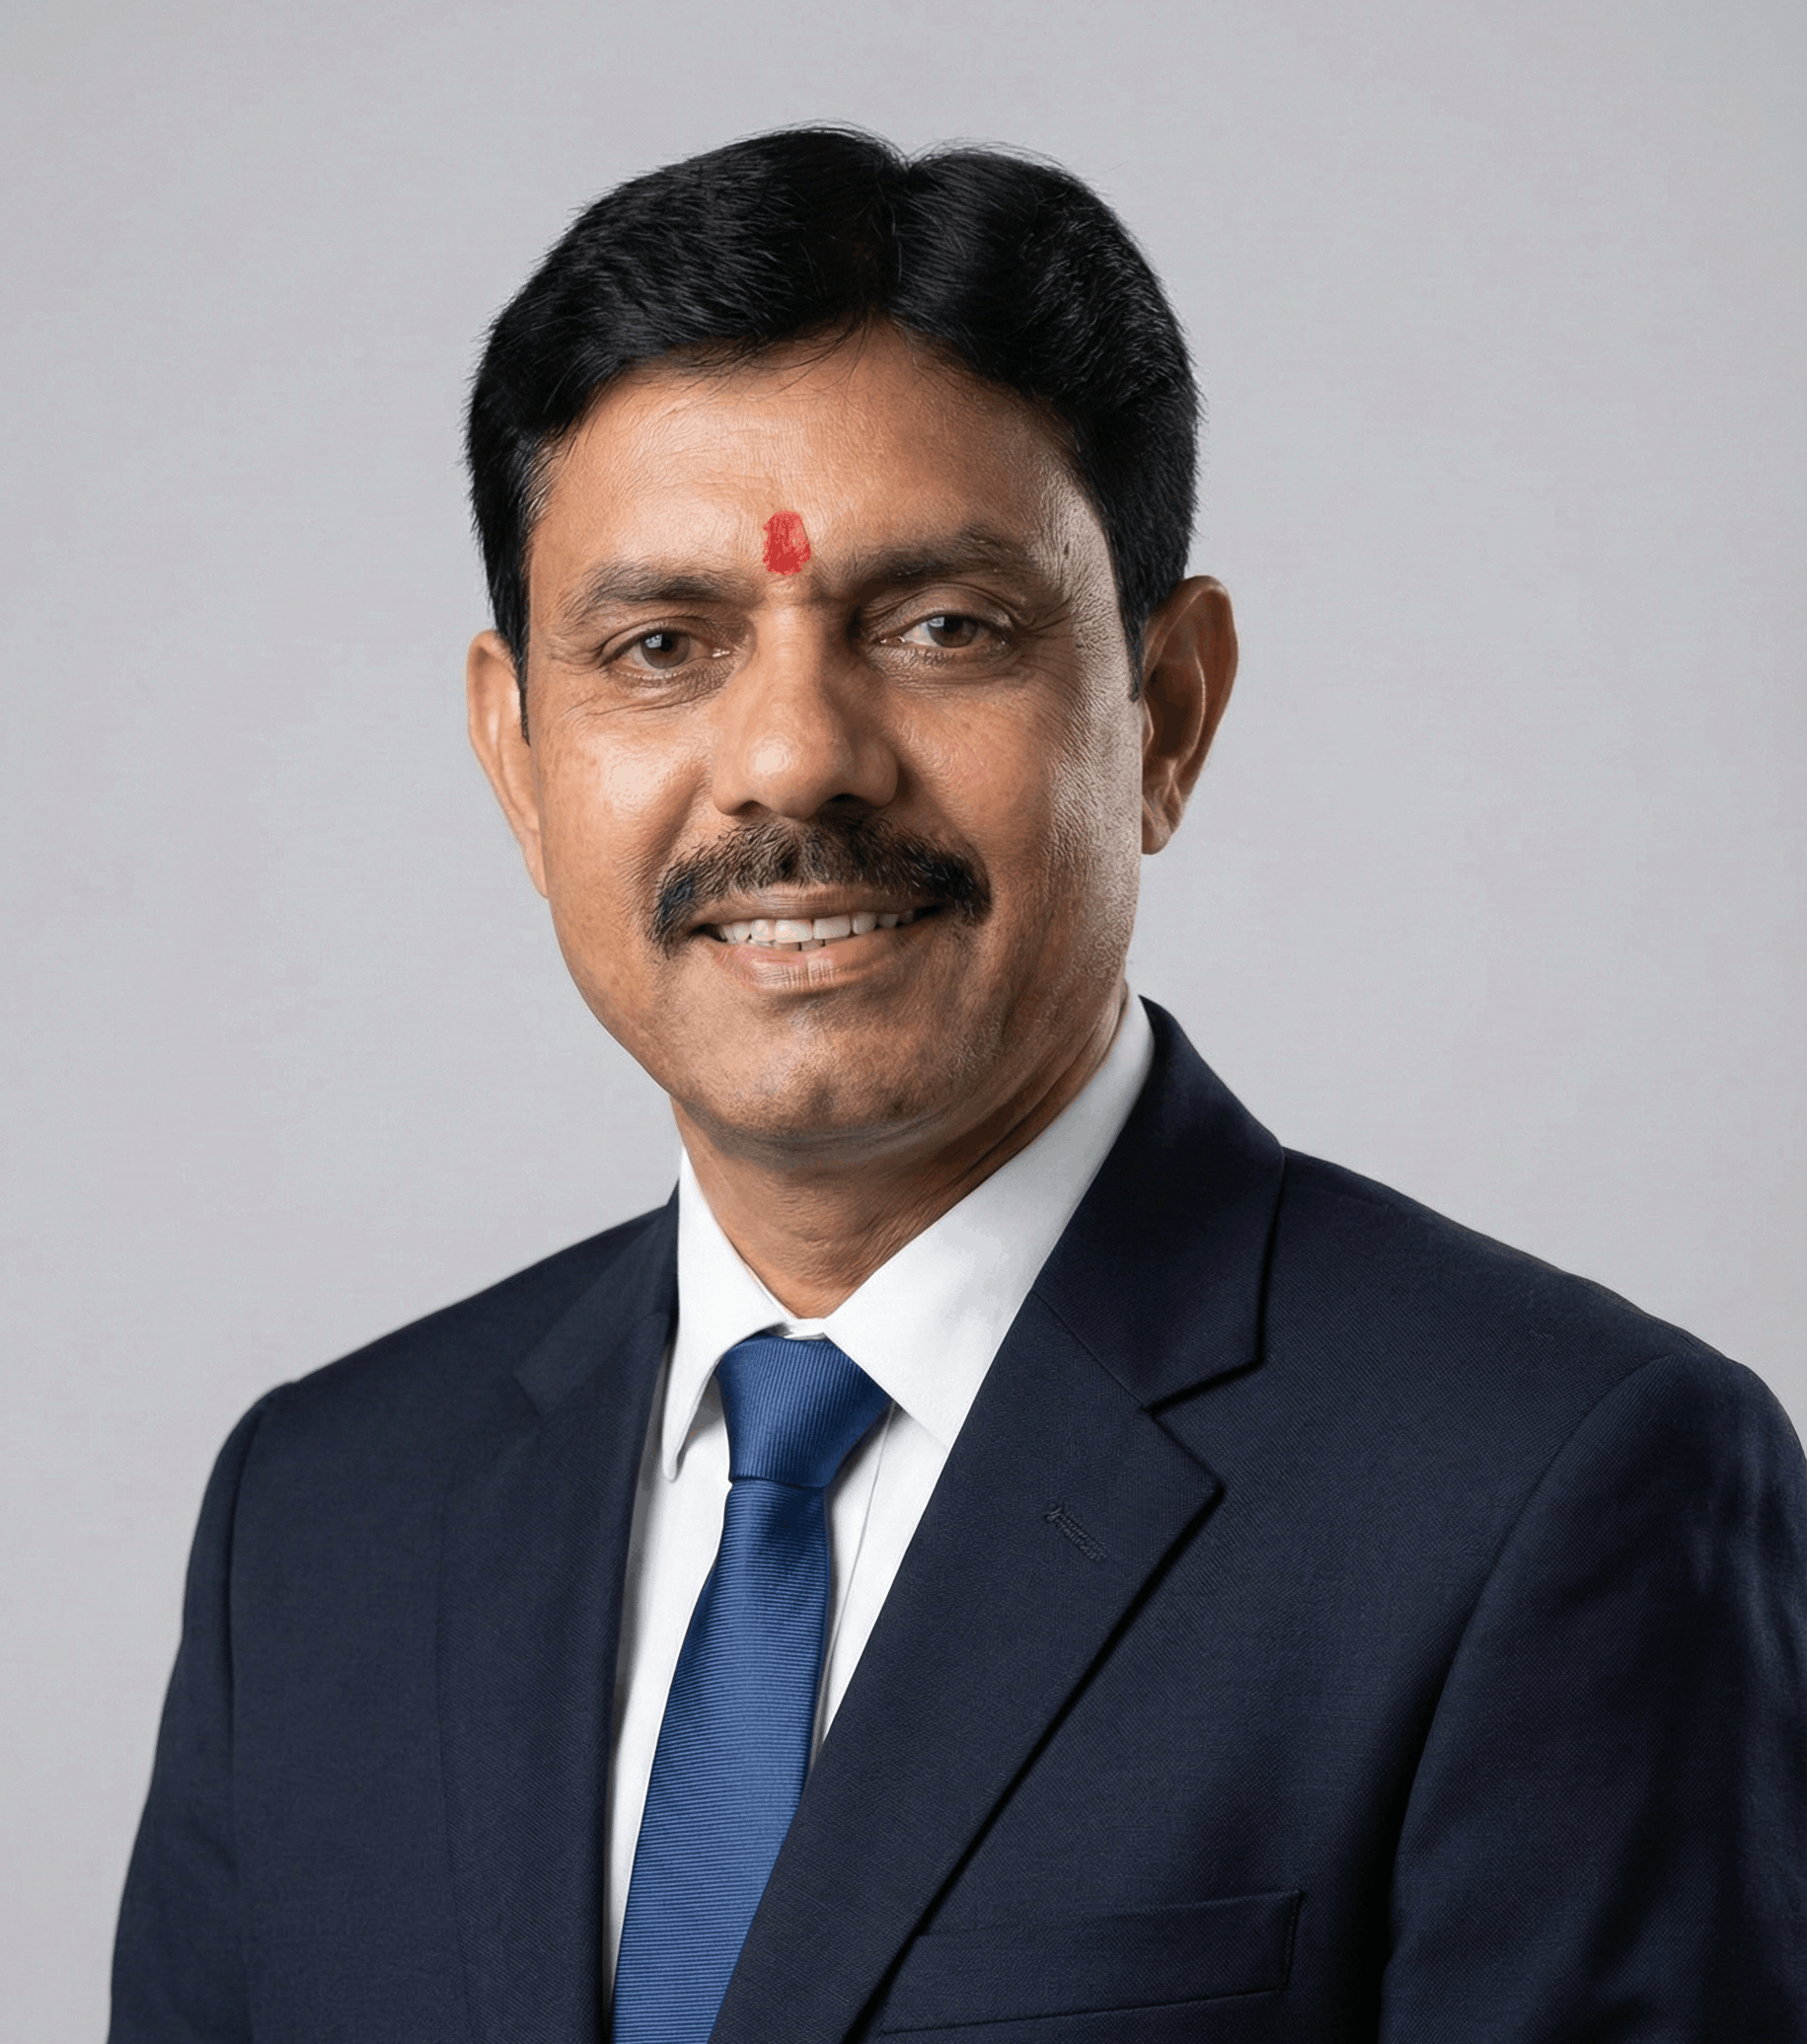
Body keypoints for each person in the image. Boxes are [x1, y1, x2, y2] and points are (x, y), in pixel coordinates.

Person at [111, 127, 1806, 2043]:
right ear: (517, 752)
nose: (790, 764)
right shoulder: (325, 1519)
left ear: (1167, 714)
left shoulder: (1547, 1490)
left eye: (941, 630)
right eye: (661, 647)